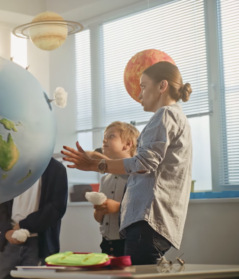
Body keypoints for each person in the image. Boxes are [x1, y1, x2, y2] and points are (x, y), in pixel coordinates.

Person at [62, 61, 193, 265]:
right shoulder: (176, 116)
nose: (138, 95)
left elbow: (143, 163)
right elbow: (146, 169)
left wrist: (97, 165)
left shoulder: (165, 114)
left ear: (162, 86)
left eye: (143, 86)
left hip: (147, 221)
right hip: (151, 222)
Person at [0, 158, 68, 278]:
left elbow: (57, 208)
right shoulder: (9, 166)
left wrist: (23, 225)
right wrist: (6, 230)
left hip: (39, 243)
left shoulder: (56, 169)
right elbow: (0, 203)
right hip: (9, 241)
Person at [92, 122, 139, 257]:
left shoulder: (137, 176)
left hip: (128, 243)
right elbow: (98, 218)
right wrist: (99, 209)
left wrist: (118, 207)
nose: (104, 140)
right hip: (107, 243)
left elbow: (144, 208)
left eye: (111, 136)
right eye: (104, 137)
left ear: (128, 144)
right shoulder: (104, 179)